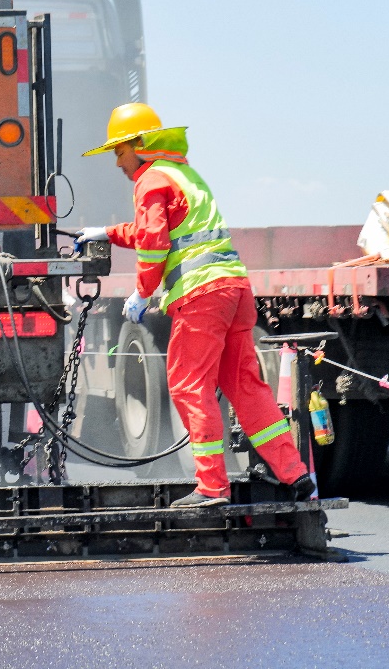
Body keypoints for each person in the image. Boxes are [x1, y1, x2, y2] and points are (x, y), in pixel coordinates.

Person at [77, 103, 316, 507]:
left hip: (200, 296)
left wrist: (142, 293)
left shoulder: (149, 179)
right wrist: (106, 232)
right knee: (247, 388)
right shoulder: (183, 174)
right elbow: (155, 229)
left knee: (188, 386)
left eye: (119, 150)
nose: (117, 162)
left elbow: (155, 242)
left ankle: (211, 487)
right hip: (234, 291)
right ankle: (295, 475)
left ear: (139, 144)